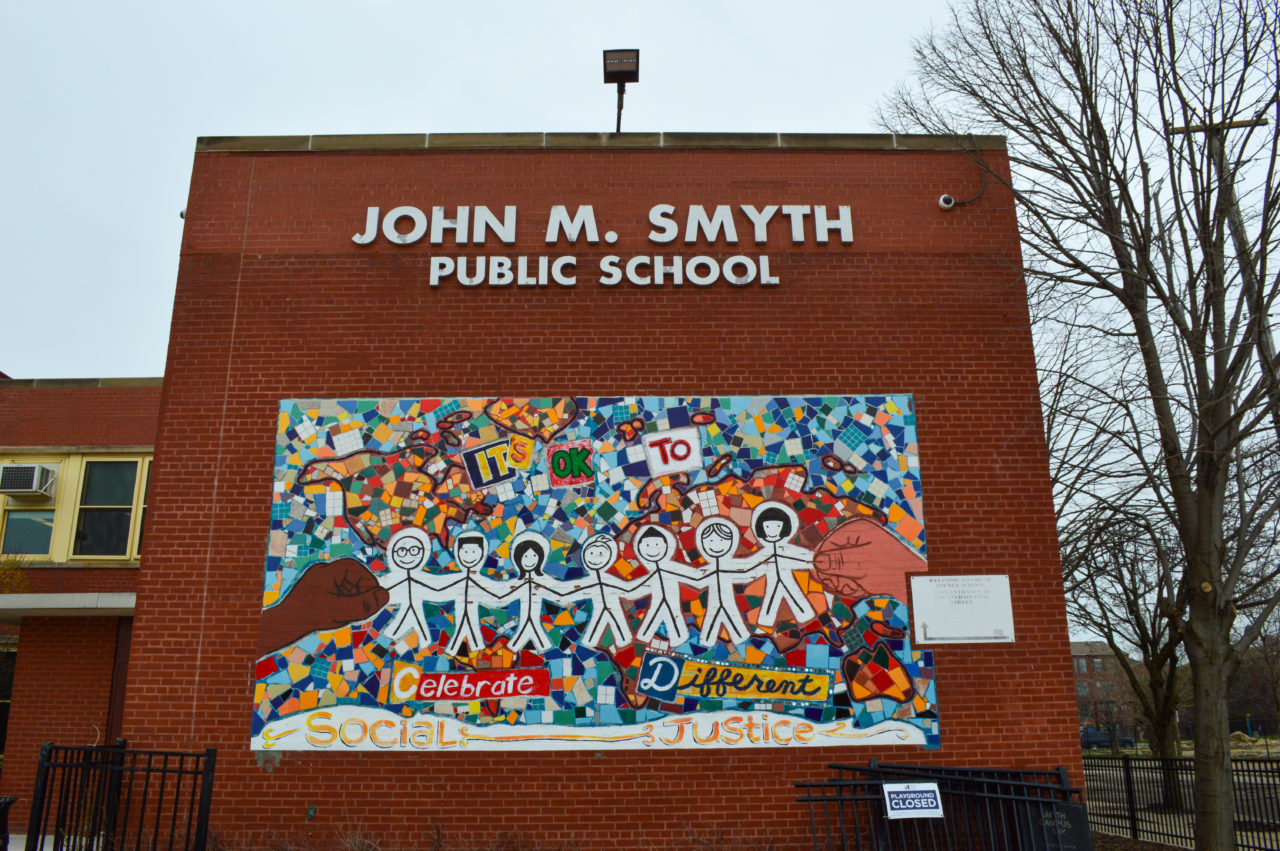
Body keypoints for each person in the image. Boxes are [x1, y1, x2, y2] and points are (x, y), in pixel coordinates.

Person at [414, 531, 509, 655]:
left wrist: (511, 588)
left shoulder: (480, 580)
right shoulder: (456, 578)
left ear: (482, 554)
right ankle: (464, 650)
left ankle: (464, 650)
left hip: (472, 611)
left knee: (470, 630)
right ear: (458, 553)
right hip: (460, 610)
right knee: (462, 631)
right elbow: (438, 585)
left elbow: (495, 590)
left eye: (474, 552)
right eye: (465, 552)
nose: (469, 556)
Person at [623, 525, 706, 647]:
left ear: (666, 546)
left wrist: (702, 576)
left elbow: (693, 575)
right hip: (657, 600)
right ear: (639, 549)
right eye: (647, 545)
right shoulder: (652, 573)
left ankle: (677, 638)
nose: (652, 549)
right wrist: (625, 591)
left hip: (671, 599)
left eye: (657, 544)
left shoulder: (671, 567)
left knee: (672, 614)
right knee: (654, 615)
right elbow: (637, 587)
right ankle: (644, 638)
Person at [748, 502, 816, 627]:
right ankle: (766, 621)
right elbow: (751, 564)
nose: (772, 531)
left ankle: (806, 615)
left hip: (786, 576)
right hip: (773, 578)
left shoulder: (787, 549)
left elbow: (805, 557)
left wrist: (813, 561)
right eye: (767, 527)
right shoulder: (765, 552)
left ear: (784, 527)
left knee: (793, 593)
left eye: (777, 526)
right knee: (772, 596)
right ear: (761, 528)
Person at [572, 533, 644, 649]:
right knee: (596, 626)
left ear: (609, 557)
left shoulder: (610, 579)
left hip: (613, 605)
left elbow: (627, 588)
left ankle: (623, 641)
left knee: (620, 628)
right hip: (599, 607)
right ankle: (590, 642)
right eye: (591, 553)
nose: (595, 558)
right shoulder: (588, 580)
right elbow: (572, 590)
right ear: (585, 555)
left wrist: (646, 583)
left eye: (601, 553)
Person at [691, 517, 754, 645]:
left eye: (721, 540)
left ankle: (741, 641)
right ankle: (707, 642)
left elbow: (746, 572)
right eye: (711, 541)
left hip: (728, 599)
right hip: (713, 600)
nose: (716, 545)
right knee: (711, 619)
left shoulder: (732, 564)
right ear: (702, 544)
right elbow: (697, 579)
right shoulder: (707, 569)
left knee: (733, 619)